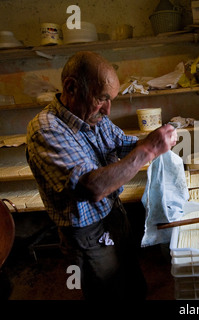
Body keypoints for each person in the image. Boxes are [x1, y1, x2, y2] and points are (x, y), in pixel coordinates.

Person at [26, 51, 177, 300]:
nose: (108, 110)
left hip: (114, 214)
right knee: (108, 291)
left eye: (111, 99)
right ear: (71, 87)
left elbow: (122, 142)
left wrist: (156, 140)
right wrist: (149, 149)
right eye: (102, 98)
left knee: (132, 280)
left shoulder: (94, 117)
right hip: (87, 234)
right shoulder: (46, 129)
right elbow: (91, 188)